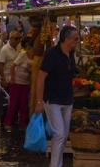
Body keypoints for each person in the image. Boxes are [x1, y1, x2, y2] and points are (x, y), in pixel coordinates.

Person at [35, 26, 79, 167]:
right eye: (75, 39)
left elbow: (70, 74)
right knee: (59, 134)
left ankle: (57, 163)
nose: (77, 41)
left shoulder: (71, 54)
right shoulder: (52, 54)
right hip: (52, 99)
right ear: (66, 39)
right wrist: (39, 101)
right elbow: (41, 77)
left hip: (67, 99)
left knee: (63, 136)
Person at [5, 38, 32, 129]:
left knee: (24, 104)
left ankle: (22, 124)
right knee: (14, 103)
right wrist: (12, 78)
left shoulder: (34, 57)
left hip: (26, 83)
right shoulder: (23, 54)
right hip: (16, 82)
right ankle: (8, 122)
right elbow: (13, 65)